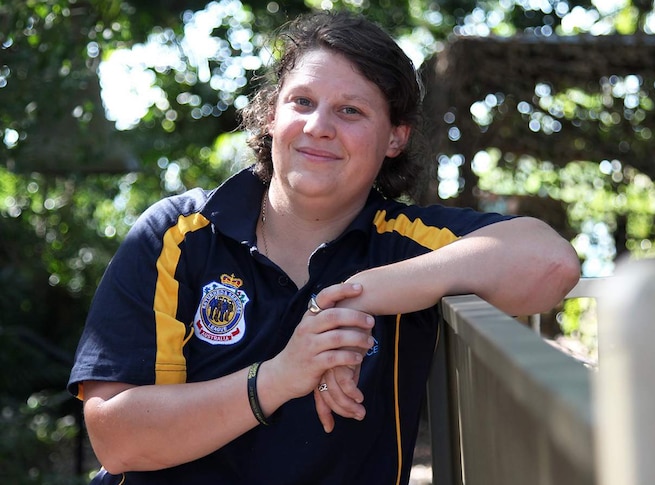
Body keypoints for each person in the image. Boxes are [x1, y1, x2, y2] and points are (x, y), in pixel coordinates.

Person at [67, 10, 580, 485]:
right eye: (302, 102)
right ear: (271, 116)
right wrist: (278, 378)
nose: (319, 128)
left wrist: (354, 295)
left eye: (351, 110)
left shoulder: (408, 244)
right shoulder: (176, 235)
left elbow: (550, 262)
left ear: (396, 138)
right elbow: (116, 439)